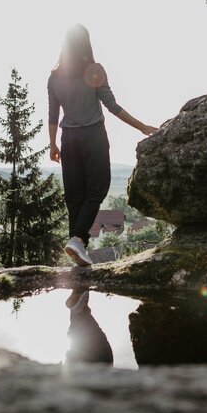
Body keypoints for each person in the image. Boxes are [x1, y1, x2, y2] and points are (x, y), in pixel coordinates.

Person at [47, 24, 158, 266]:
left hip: (69, 140)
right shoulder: (94, 70)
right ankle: (77, 239)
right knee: (97, 190)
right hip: (93, 136)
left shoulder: (54, 77)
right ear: (86, 44)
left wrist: (52, 144)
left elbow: (53, 114)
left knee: (75, 196)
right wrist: (141, 126)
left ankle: (78, 248)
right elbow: (112, 105)